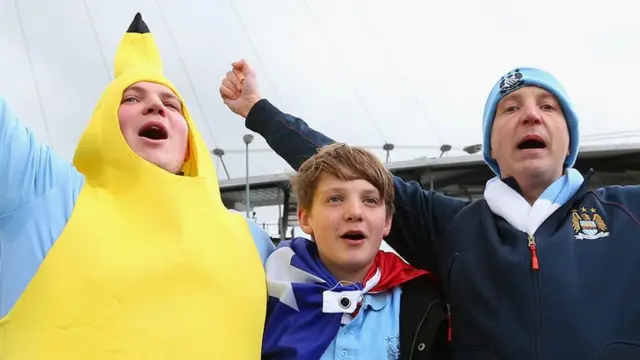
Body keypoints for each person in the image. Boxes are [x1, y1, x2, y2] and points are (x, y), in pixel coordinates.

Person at [220, 60, 640, 359]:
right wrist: (259, 110)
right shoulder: (451, 225)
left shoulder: (629, 212)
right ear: (491, 146)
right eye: (510, 108)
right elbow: (341, 167)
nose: (530, 114)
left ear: (570, 140)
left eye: (548, 107)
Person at [0, 15, 274, 359]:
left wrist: (261, 113)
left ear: (190, 136)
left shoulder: (253, 240)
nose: (156, 105)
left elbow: (348, 186)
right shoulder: (45, 195)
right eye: (130, 99)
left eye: (172, 104)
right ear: (102, 124)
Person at [263, 143, 447, 360]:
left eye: (370, 200)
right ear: (305, 217)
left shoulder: (425, 302)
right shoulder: (266, 291)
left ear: (387, 221)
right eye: (335, 199)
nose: (355, 212)